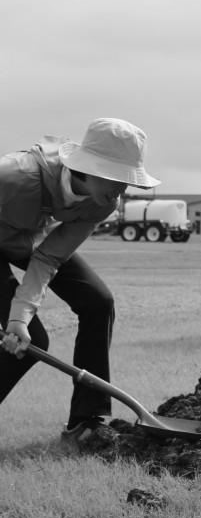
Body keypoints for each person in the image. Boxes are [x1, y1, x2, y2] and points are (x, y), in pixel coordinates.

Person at [0, 119, 160, 447]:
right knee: (34, 343)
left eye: (128, 179)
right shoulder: (12, 175)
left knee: (98, 303)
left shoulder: (102, 202)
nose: (122, 189)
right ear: (88, 167)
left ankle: (86, 419)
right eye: (117, 177)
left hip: (30, 241)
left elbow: (47, 259)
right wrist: (17, 321)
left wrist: (20, 313)